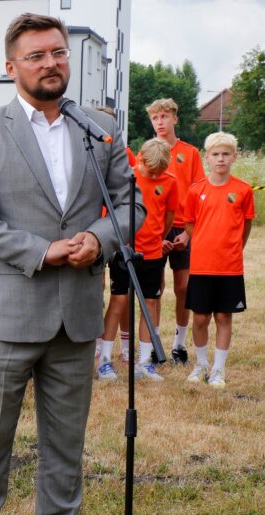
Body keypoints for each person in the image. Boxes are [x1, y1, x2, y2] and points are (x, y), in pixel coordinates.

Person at [0, 13, 143, 515]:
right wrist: (41, 250)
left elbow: (131, 205)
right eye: (36, 55)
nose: (51, 63)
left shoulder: (99, 128)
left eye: (57, 52)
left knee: (65, 445)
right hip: (8, 310)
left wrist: (99, 237)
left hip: (77, 312)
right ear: (11, 67)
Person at [96, 138, 177, 382]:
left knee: (150, 304)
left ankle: (144, 361)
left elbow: (169, 218)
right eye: (149, 170)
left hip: (152, 254)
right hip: (123, 252)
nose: (153, 175)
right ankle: (105, 361)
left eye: (157, 172)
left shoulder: (170, 182)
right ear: (139, 157)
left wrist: (157, 240)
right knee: (119, 301)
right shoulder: (125, 179)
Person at [182, 132, 254, 388]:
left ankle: (218, 370)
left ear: (234, 157)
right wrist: (205, 243)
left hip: (230, 267)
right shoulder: (195, 190)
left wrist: (232, 247)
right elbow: (190, 225)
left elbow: (245, 227)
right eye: (215, 154)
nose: (221, 159)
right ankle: (200, 365)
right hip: (202, 265)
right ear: (207, 158)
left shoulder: (243, 190)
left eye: (225, 154)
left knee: (224, 316)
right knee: (200, 317)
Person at [147, 98, 205, 365]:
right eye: (155, 118)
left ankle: (179, 345)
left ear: (174, 119)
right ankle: (154, 343)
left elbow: (199, 194)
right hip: (156, 228)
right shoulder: (147, 151)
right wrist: (156, 235)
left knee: (183, 287)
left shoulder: (190, 153)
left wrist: (189, 233)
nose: (160, 122)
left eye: (164, 117)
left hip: (183, 227)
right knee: (154, 288)